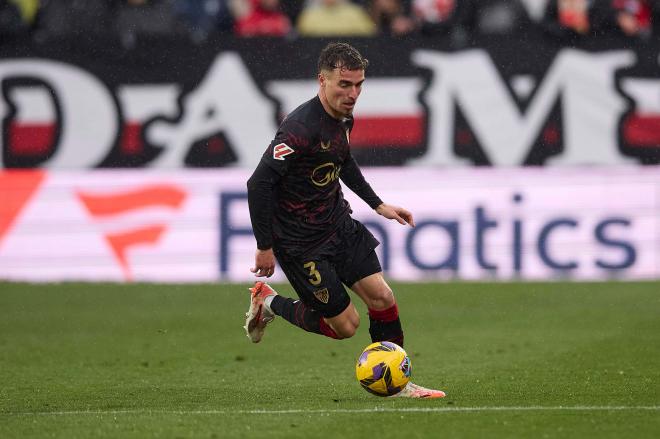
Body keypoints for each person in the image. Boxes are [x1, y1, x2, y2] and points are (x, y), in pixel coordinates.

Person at [245, 42, 445, 399]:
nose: (353, 94)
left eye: (358, 85)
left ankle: (398, 384)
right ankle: (269, 301)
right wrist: (264, 246)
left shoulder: (343, 117)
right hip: (301, 243)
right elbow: (259, 182)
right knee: (345, 326)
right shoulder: (299, 129)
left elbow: (342, 161)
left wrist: (378, 204)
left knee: (382, 298)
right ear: (322, 81)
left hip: (338, 225)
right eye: (344, 85)